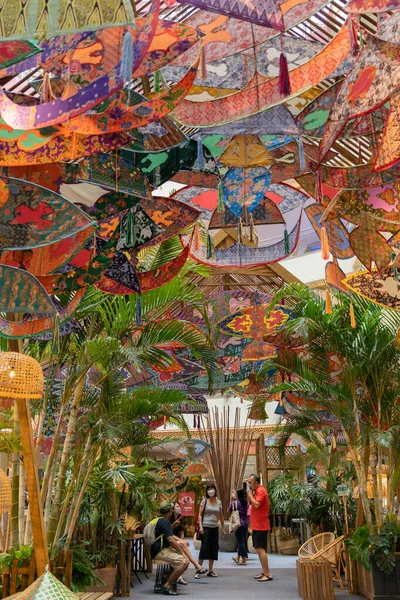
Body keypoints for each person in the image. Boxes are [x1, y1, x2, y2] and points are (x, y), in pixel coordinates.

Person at [150, 501, 190, 596]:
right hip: (160, 551)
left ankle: (168, 578)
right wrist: (181, 552)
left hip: (155, 549)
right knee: (185, 562)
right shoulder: (166, 522)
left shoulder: (157, 520)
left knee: (179, 559)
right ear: (170, 511)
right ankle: (167, 585)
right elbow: (171, 540)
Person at [169, 502, 207, 585]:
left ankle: (180, 577)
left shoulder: (180, 518)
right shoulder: (169, 519)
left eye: (179, 506)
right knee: (182, 551)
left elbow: (181, 532)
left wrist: (181, 540)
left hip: (177, 542)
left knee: (184, 555)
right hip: (169, 541)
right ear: (172, 509)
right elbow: (169, 534)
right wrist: (180, 540)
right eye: (177, 506)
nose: (179, 508)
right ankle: (196, 566)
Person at [247, 474, 273, 582]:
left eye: (250, 483)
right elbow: (251, 503)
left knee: (260, 549)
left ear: (256, 482)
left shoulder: (261, 491)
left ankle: (267, 573)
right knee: (258, 549)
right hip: (257, 524)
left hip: (261, 525)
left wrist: (249, 495)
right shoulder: (256, 491)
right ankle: (264, 570)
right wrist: (250, 494)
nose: (249, 485)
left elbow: (256, 504)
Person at [195, 483, 225, 579]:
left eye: (212, 488)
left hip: (215, 527)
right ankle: (198, 570)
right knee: (204, 548)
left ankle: (210, 570)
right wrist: (201, 527)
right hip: (206, 527)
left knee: (213, 548)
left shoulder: (219, 502)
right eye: (209, 489)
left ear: (215, 490)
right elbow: (200, 514)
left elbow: (221, 516)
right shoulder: (204, 501)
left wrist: (223, 528)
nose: (211, 490)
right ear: (207, 491)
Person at [228, 487, 249, 565]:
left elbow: (228, 511)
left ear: (237, 494)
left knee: (241, 542)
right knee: (242, 540)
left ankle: (244, 560)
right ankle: (238, 557)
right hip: (245, 523)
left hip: (238, 524)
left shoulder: (234, 503)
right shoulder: (246, 503)